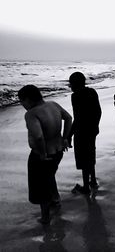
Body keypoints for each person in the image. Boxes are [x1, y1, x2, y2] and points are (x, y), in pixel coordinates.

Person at [18, 85, 72, 224]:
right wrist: (65, 138)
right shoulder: (53, 104)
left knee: (41, 184)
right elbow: (69, 118)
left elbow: (39, 136)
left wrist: (42, 154)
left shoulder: (31, 113)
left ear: (28, 99)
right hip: (58, 150)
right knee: (49, 175)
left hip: (42, 153)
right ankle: (55, 200)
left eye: (21, 101)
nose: (22, 105)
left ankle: (45, 217)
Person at [68, 72, 102, 194]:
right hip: (92, 130)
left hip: (81, 131)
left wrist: (69, 135)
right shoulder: (92, 92)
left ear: (75, 84)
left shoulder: (75, 96)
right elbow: (98, 112)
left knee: (83, 159)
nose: (69, 86)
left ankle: (86, 187)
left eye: (70, 83)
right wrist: (95, 126)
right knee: (90, 155)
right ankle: (92, 180)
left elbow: (77, 118)